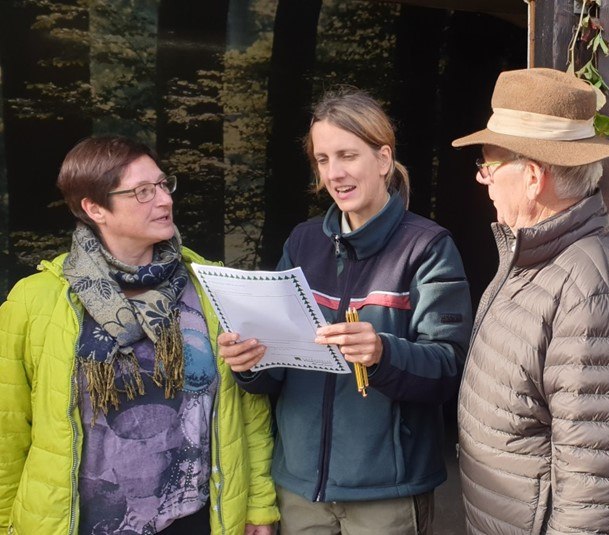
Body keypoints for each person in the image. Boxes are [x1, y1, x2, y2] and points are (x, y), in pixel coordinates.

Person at [218, 88, 472, 535]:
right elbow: (276, 366)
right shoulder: (302, 242)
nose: (334, 173)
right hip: (299, 488)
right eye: (322, 159)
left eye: (347, 155)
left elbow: (450, 368)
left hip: (386, 490)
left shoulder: (427, 247)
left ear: (383, 159)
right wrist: (250, 362)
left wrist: (382, 354)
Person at [0, 136, 279, 534]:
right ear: (95, 208)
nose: (164, 200)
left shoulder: (210, 290)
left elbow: (246, 411)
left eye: (164, 185)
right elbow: (7, 430)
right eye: (143, 192)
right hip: (83, 522)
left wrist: (258, 507)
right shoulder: (36, 301)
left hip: (194, 519)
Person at [451, 68, 609, 534]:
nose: (483, 181)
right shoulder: (539, 262)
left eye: (487, 166)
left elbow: (597, 502)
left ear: (532, 177)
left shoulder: (594, 294)